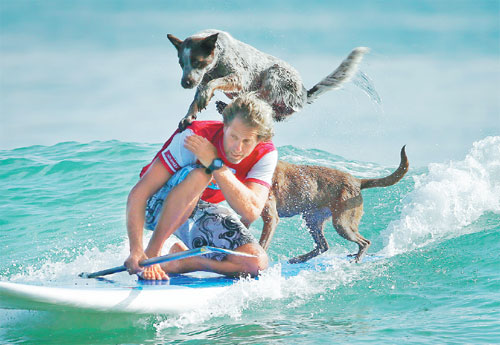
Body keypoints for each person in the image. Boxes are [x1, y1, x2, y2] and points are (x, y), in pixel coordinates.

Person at [124, 93, 277, 280]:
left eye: (247, 141)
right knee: (202, 173)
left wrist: (216, 164)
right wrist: (136, 250)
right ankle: (152, 254)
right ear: (225, 126)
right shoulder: (195, 137)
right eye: (233, 137)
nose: (238, 148)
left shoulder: (265, 155)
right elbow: (139, 193)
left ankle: (181, 262)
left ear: (259, 140)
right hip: (154, 205)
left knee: (254, 263)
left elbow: (251, 211)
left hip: (196, 208)